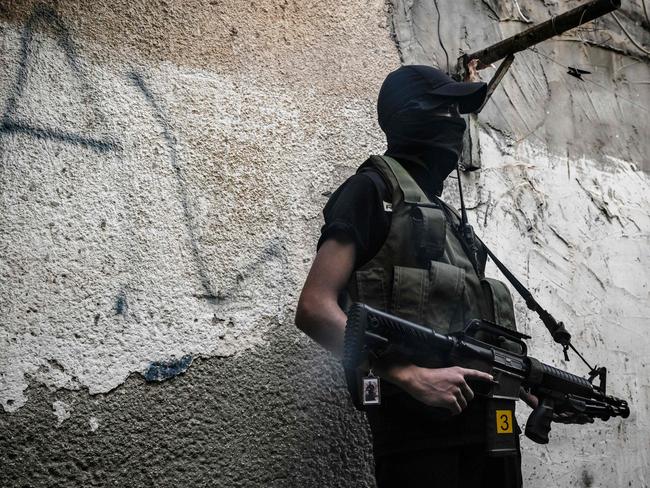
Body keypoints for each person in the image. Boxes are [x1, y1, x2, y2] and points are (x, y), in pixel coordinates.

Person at [295, 64, 525, 488]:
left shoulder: (448, 217)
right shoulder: (369, 191)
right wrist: (407, 375)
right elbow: (313, 308)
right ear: (413, 113)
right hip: (420, 441)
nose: (457, 124)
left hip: (493, 432)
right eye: (448, 109)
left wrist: (529, 385)